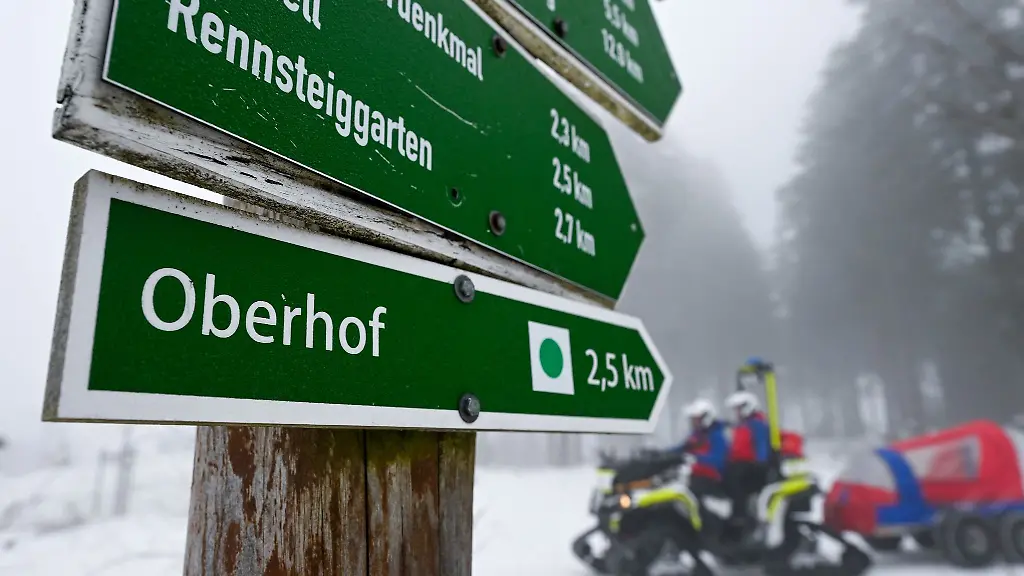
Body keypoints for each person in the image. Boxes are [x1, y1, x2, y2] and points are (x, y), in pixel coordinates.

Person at [724, 391, 772, 530]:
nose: (736, 412)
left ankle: (740, 516)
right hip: (739, 463)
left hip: (752, 465)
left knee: (734, 480)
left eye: (738, 409)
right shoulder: (742, 425)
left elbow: (761, 445)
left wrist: (760, 463)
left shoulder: (757, 424)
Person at [672, 398, 731, 497]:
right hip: (694, 475)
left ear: (706, 418)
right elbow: (682, 448)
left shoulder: (717, 435)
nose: (693, 422)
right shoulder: (696, 435)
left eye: (696, 419)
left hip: (712, 480)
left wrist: (696, 458)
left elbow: (719, 460)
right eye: (692, 419)